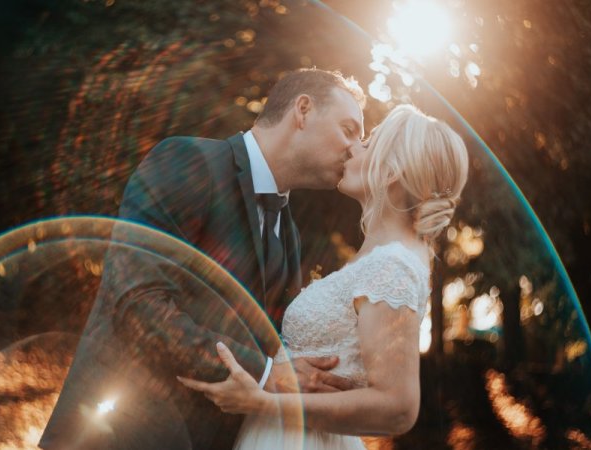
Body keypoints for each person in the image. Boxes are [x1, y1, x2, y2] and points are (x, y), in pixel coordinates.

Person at [39, 68, 366, 449]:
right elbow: (137, 304)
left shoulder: (289, 234)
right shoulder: (188, 161)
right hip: (115, 434)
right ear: (303, 110)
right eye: (349, 129)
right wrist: (267, 375)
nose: (355, 148)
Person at [179, 104, 470, 449]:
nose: (353, 147)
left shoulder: (392, 267)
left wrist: (264, 402)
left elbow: (398, 407)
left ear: (391, 171)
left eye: (368, 142)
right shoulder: (380, 259)